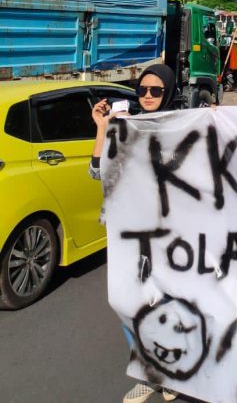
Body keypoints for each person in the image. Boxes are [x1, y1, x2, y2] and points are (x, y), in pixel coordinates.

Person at [90, 65, 179, 403]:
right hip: (126, 233)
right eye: (142, 90)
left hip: (167, 234)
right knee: (126, 302)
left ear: (168, 91)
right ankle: (149, 373)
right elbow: (97, 172)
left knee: (166, 303)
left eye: (156, 91)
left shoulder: (180, 125)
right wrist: (102, 129)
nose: (148, 97)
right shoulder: (125, 126)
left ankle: (171, 373)